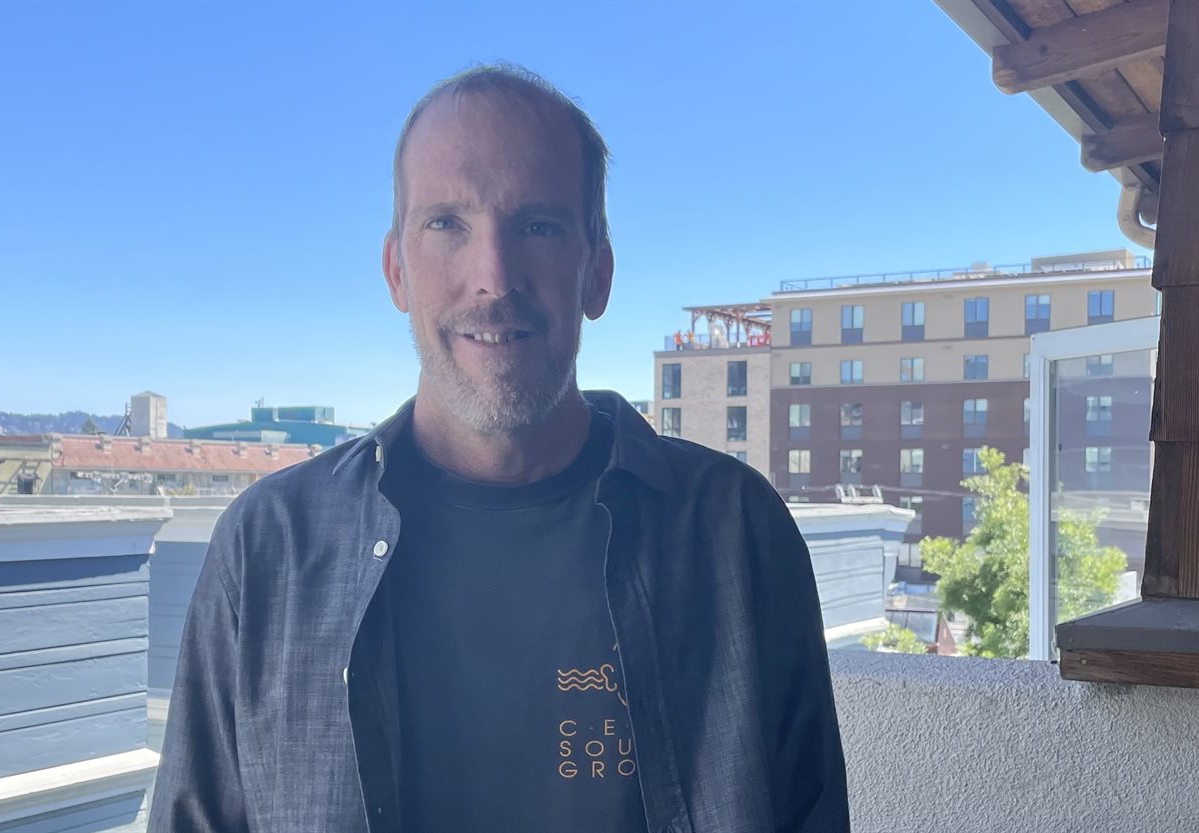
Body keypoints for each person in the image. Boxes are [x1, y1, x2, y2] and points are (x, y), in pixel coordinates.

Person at [149, 63, 849, 833]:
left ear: (598, 273)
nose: (494, 276)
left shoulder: (735, 534)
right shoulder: (267, 551)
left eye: (540, 225)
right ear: (396, 270)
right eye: (447, 223)